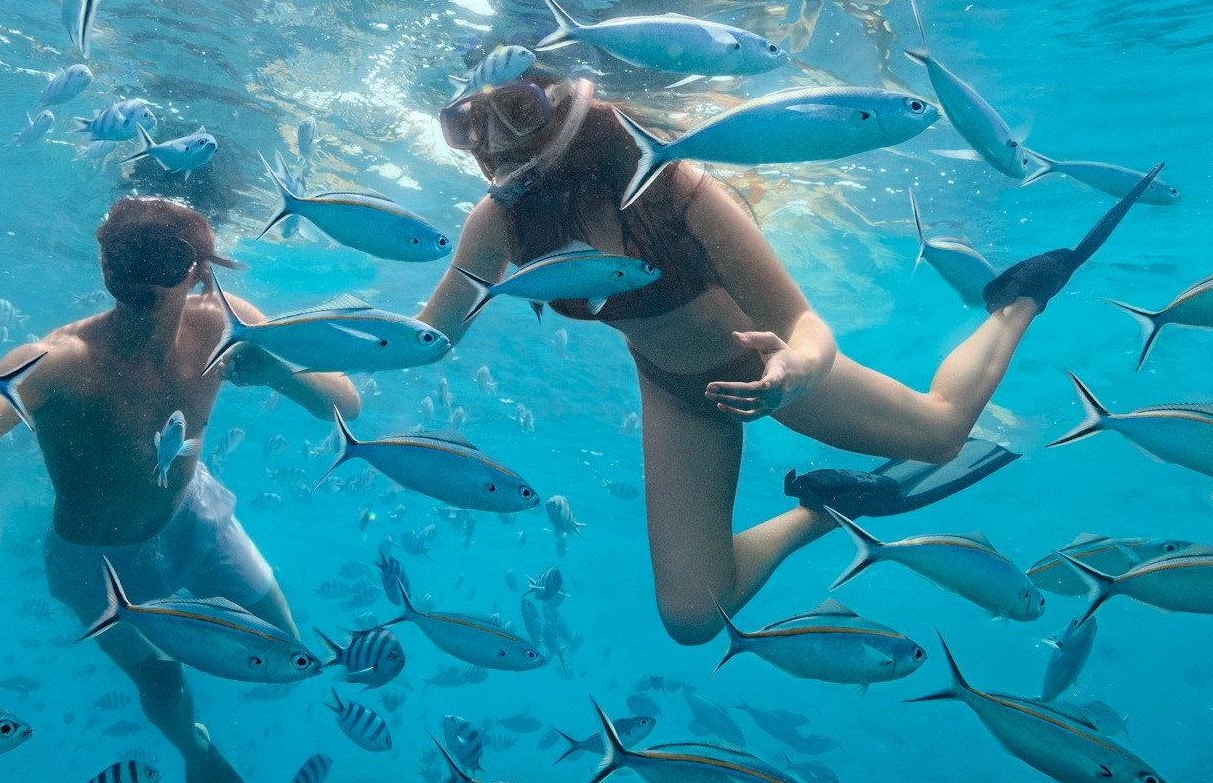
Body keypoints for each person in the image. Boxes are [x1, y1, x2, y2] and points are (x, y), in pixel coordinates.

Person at [416, 73, 1141, 645]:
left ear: (570, 104)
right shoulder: (501, 223)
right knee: (693, 619)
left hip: (772, 373)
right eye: (468, 123)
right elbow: (431, 336)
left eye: (514, 108)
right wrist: (313, 357)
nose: (492, 139)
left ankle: (1018, 298)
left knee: (944, 433)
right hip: (673, 394)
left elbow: (805, 325)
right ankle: (834, 505)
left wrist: (794, 371)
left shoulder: (677, 189)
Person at [0, 196, 361, 783]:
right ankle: (198, 755)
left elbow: (344, 403)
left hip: (196, 519)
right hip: (96, 561)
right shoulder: (58, 360)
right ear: (104, 266)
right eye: (123, 258)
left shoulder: (223, 321)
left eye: (162, 259)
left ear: (198, 269)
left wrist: (282, 368)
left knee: (286, 649)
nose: (140, 275)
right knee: (159, 678)